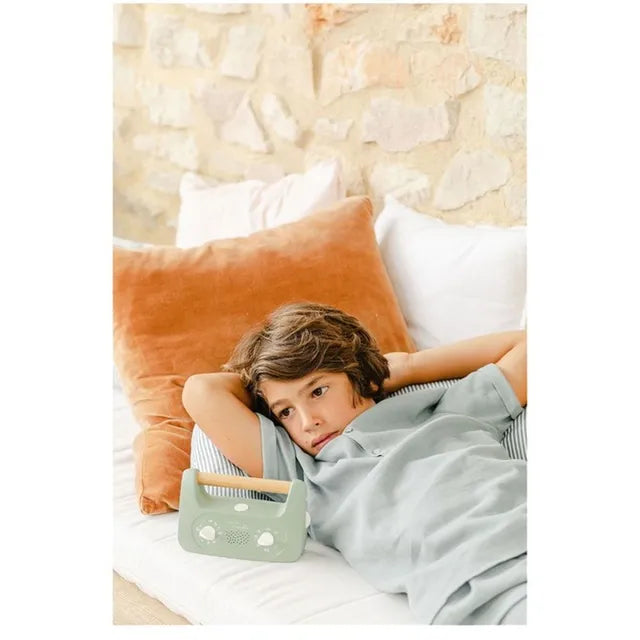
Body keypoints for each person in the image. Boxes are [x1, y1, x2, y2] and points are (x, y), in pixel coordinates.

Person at [182, 301, 527, 625]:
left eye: (318, 391)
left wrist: (404, 367)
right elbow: (201, 391)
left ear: (359, 376)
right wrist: (263, 383)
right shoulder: (308, 479)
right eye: (285, 411)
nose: (308, 422)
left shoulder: (448, 411)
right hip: (489, 590)